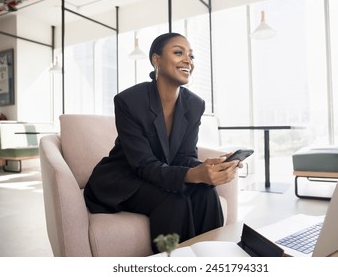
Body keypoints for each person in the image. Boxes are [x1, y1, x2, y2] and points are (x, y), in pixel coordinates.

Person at [83, 32, 240, 254]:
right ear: (156, 59)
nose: (188, 60)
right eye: (178, 52)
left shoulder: (195, 104)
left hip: (159, 174)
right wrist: (192, 175)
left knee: (206, 192)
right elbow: (143, 164)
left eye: (191, 56)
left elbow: (184, 156)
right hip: (126, 176)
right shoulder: (129, 101)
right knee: (174, 201)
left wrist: (207, 167)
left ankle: (212, 259)